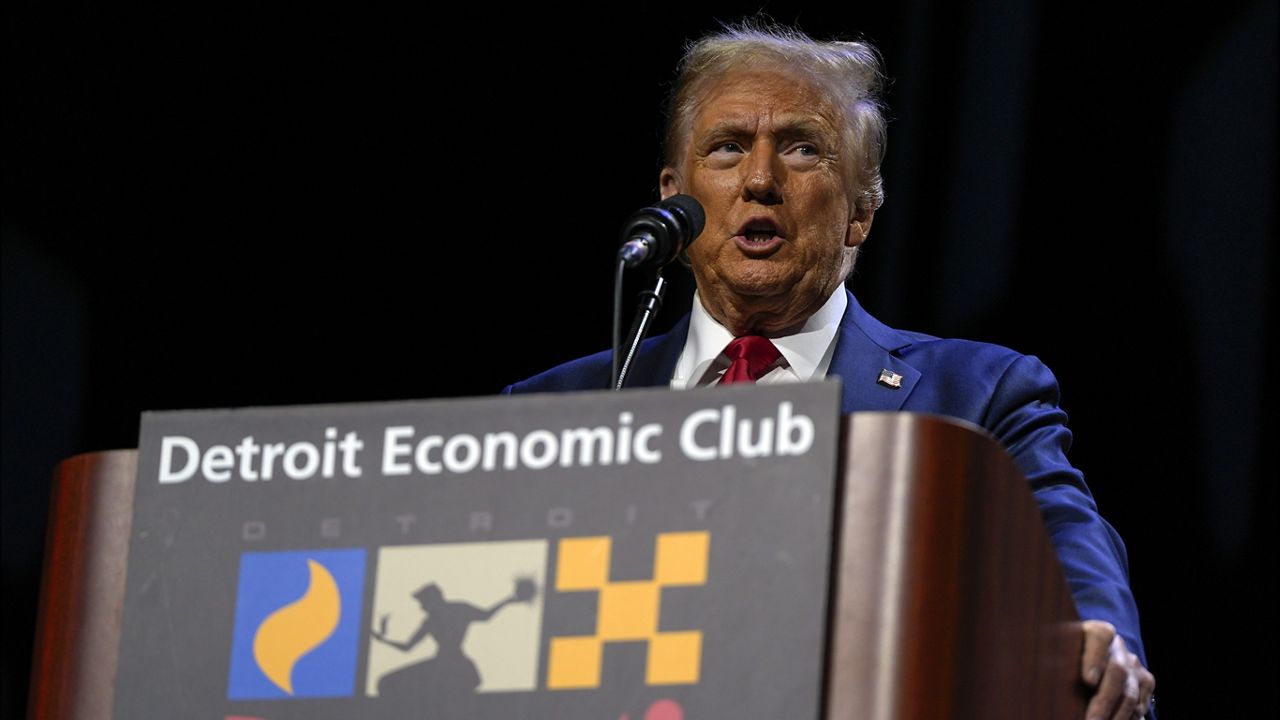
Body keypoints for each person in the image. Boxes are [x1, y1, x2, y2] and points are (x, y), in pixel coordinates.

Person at [503, 20, 1155, 719]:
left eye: (802, 150)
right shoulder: (552, 407)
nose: (759, 180)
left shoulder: (977, 394)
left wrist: (1103, 638)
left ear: (861, 212)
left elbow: (1063, 534)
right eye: (726, 149)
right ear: (675, 196)